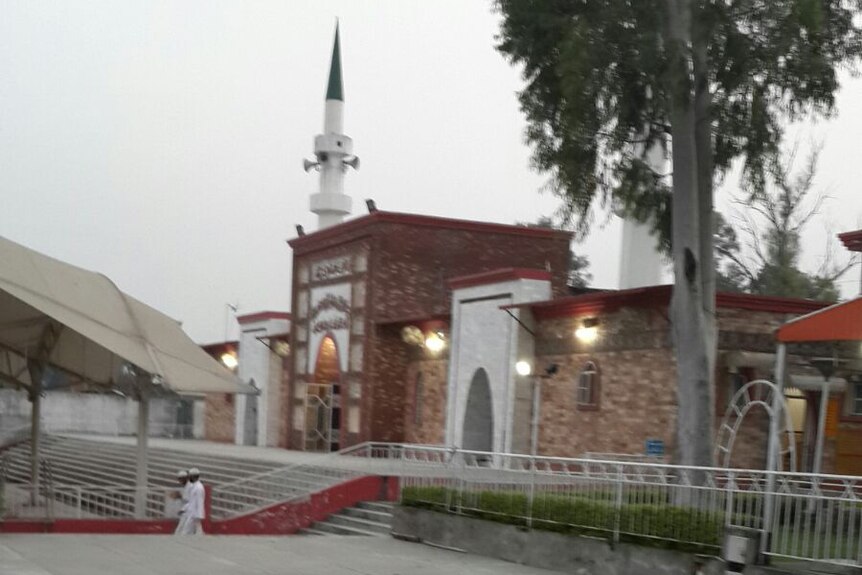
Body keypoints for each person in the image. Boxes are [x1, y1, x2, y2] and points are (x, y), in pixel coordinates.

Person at [186, 467, 206, 535]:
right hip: (192, 512)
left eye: (190, 476)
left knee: (188, 531)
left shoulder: (199, 487)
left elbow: (200, 502)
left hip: (195, 514)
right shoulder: (194, 486)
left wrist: (199, 515)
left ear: (193, 477)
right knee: (197, 530)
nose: (188, 478)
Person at [172, 470, 191, 535]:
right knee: (180, 531)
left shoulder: (190, 486)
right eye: (179, 479)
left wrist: (180, 497)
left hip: (189, 512)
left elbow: (190, 501)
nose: (180, 481)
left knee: (182, 532)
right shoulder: (186, 487)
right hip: (186, 512)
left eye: (181, 479)